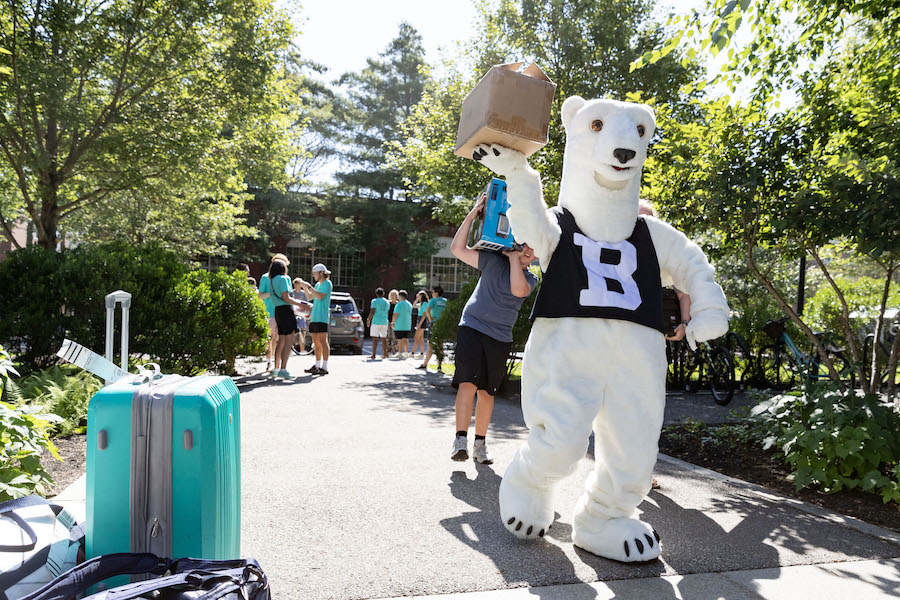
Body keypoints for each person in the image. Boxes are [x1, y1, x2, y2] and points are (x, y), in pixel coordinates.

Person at [447, 194, 538, 463]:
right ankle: (460, 440)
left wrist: (513, 258)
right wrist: (473, 214)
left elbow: (517, 289)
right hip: (472, 326)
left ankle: (480, 445)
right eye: (525, 246)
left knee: (487, 392)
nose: (529, 252)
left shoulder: (530, 279)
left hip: (499, 336)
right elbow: (457, 249)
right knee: (467, 383)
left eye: (533, 250)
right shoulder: (491, 260)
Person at [640, 199, 692, 489]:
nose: (645, 223)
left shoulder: (666, 255)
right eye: (639, 218)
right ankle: (616, 472)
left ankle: (644, 471)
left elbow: (683, 291)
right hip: (618, 344)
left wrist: (684, 324)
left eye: (649, 218)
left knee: (649, 409)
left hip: (652, 345)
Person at [268, 259, 307, 378]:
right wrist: (302, 304)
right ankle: (283, 369)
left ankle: (276, 368)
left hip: (277, 310)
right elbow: (286, 298)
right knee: (289, 340)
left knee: (281, 340)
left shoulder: (271, 280)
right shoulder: (284, 279)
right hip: (286, 310)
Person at [296, 263, 333, 375]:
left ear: (321, 273)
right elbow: (310, 297)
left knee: (323, 341)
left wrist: (309, 287)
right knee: (316, 342)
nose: (313, 275)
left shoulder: (327, 283)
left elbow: (320, 296)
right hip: (315, 316)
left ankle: (325, 367)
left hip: (322, 317)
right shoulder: (317, 284)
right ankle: (317, 365)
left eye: (315, 273)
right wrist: (304, 287)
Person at [258, 253, 291, 372]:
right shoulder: (265, 277)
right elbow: (260, 295)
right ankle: (269, 361)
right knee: (270, 338)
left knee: (279, 338)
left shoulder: (286, 278)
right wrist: (272, 293)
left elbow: (288, 295)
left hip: (282, 312)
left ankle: (279, 365)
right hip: (269, 312)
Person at [416, 285, 447, 370]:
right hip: (442, 324)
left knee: (430, 344)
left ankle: (424, 364)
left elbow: (427, 311)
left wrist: (430, 319)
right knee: (440, 344)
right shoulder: (445, 301)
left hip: (434, 323)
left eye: (432, 292)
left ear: (436, 293)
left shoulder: (432, 301)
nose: (432, 294)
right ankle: (440, 365)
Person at [367, 287, 391, 359]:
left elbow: (372, 311)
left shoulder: (374, 301)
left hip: (376, 321)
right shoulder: (387, 302)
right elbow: (387, 312)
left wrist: (369, 319)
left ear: (376, 294)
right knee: (384, 338)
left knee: (375, 339)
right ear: (383, 294)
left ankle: (374, 354)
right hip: (384, 321)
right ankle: (385, 354)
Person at [291, 277, 312, 355]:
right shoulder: (292, 293)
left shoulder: (303, 293)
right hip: (293, 314)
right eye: (296, 284)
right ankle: (291, 349)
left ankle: (302, 349)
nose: (297, 286)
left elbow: (306, 303)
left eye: (298, 284)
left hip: (301, 314)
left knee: (303, 331)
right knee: (292, 332)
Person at [392, 290, 414, 358]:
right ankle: (406, 352)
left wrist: (393, 322)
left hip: (399, 325)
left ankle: (400, 352)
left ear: (399, 296)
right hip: (407, 324)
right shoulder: (409, 304)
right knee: (405, 339)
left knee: (399, 339)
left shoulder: (399, 304)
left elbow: (395, 314)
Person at [410, 290, 430, 358]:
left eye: (418, 295)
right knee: (420, 338)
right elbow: (414, 306)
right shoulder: (421, 304)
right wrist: (417, 299)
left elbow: (424, 314)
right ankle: (422, 353)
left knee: (416, 337)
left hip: (422, 320)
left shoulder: (424, 304)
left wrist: (419, 324)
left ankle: (412, 353)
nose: (417, 296)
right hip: (420, 319)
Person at [386, 289, 400, 357]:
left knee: (395, 337)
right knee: (388, 337)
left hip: (396, 322)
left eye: (394, 294)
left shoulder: (398, 304)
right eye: (391, 294)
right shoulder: (388, 303)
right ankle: (387, 352)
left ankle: (395, 352)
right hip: (388, 321)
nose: (392, 296)